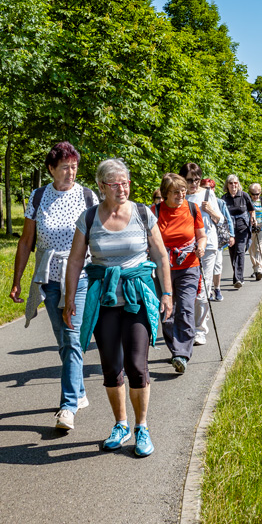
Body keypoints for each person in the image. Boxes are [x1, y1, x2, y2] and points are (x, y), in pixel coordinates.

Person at [64, 159, 173, 457]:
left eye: (125, 182)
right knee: (111, 368)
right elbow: (76, 260)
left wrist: (167, 294)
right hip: (105, 300)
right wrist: (70, 297)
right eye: (115, 184)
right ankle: (120, 424)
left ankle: (142, 427)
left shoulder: (142, 213)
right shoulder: (88, 218)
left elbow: (161, 255)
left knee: (137, 367)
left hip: (137, 296)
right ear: (101, 187)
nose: (122, 188)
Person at [10, 141, 98, 432]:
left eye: (74, 167)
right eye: (64, 167)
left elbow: (99, 237)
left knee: (72, 338)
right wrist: (17, 280)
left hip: (80, 276)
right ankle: (80, 392)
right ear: (50, 169)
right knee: (64, 340)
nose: (71, 172)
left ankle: (68, 406)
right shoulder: (37, 197)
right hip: (47, 276)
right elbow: (26, 242)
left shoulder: (87, 197)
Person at [154, 173, 207, 372]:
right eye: (176, 192)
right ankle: (175, 349)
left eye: (183, 190)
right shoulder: (155, 211)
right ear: (165, 193)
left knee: (185, 309)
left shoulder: (192, 209)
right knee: (167, 313)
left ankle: (182, 354)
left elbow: (201, 235)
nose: (181, 194)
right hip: (162, 268)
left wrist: (201, 246)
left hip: (189, 265)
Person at [180, 163, 229, 345]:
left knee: (203, 289)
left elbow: (221, 219)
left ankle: (200, 330)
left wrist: (210, 210)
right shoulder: (180, 195)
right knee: (188, 290)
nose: (193, 183)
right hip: (186, 247)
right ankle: (188, 326)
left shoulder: (208, 194)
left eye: (196, 179)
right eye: (190, 180)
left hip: (208, 246)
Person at [221, 174, 254, 288]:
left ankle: (238, 278)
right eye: (231, 183)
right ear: (227, 185)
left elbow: (251, 209)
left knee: (240, 251)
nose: (233, 185)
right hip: (230, 229)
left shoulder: (244, 195)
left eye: (235, 183)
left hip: (242, 227)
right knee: (233, 252)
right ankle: (238, 276)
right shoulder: (224, 198)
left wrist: (253, 218)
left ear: (238, 184)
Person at [203, 178, 233, 302]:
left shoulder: (220, 203)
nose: (207, 191)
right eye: (204, 188)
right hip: (203, 241)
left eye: (209, 188)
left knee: (217, 266)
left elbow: (227, 219)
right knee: (206, 269)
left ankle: (217, 288)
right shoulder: (197, 202)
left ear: (214, 189)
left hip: (218, 239)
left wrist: (232, 235)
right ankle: (208, 290)